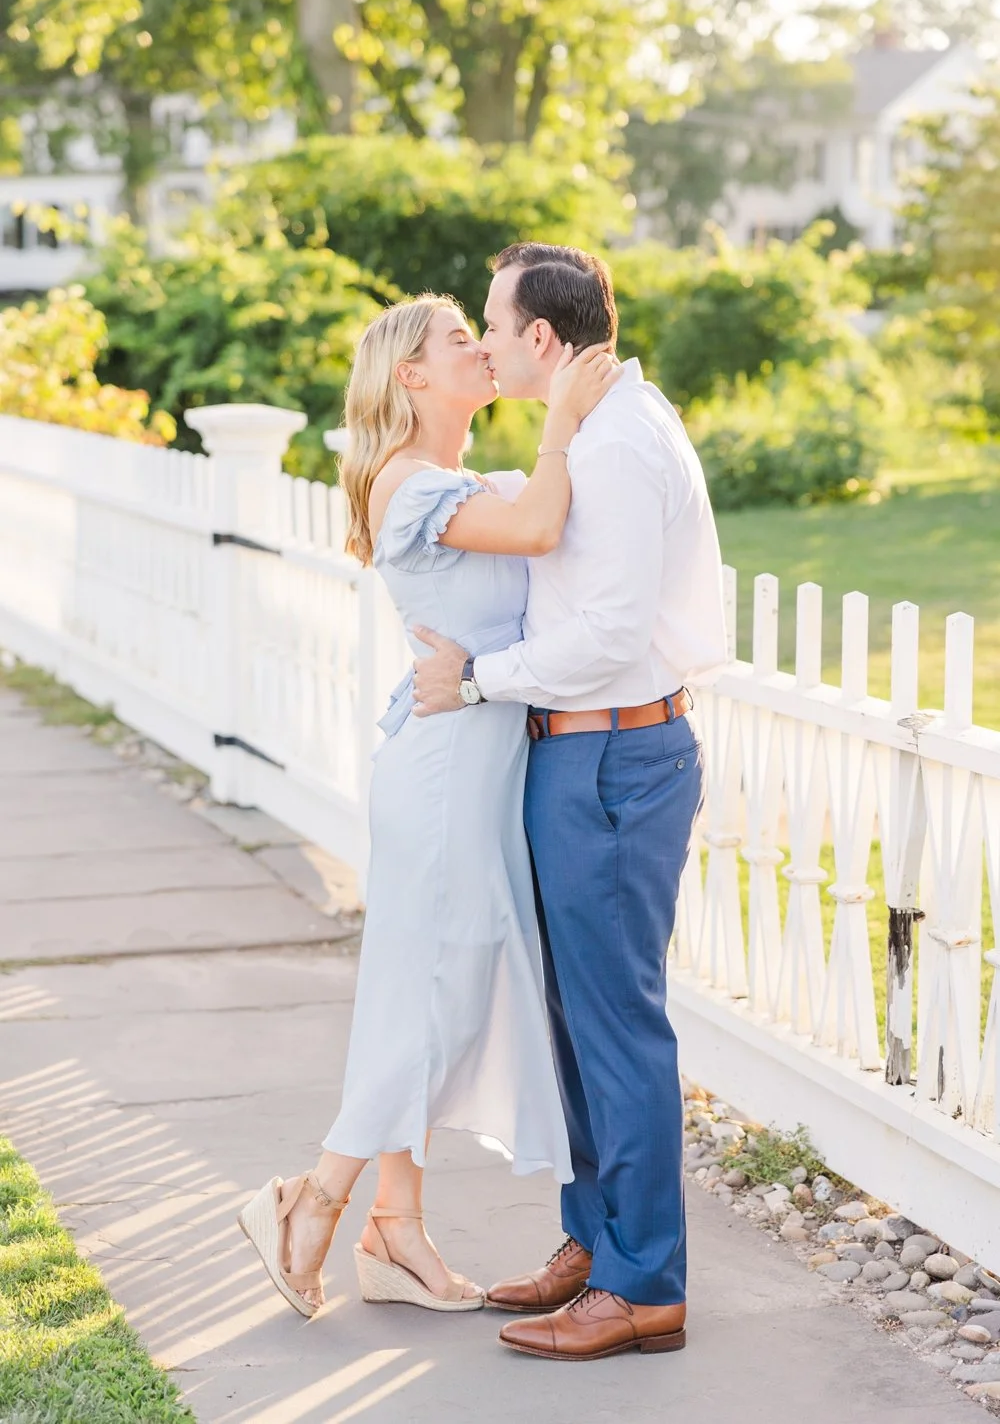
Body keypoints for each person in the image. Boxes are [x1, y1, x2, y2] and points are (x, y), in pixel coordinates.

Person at [238, 292, 620, 1317]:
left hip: (472, 771)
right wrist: (562, 422)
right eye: (461, 340)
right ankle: (312, 1197)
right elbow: (541, 527)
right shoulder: (408, 485)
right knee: (437, 997)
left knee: (431, 993)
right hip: (447, 777)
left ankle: (395, 1234)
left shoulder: (443, 479)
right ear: (410, 375)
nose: (483, 349)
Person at [412, 243, 728, 1360]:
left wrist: (479, 681)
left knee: (614, 1024)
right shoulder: (591, 434)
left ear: (542, 339)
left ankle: (644, 1286)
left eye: (493, 329)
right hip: (577, 759)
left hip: (612, 761)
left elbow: (603, 636)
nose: (489, 348)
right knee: (572, 1023)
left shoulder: (622, 444)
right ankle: (593, 1243)